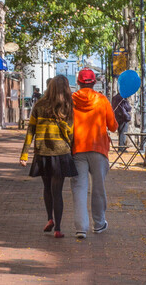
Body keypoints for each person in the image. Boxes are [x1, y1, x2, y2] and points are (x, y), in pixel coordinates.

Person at [20, 76, 77, 238]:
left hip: (42, 153)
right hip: (61, 154)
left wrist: (24, 154)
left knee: (47, 188)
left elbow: (30, 130)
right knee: (57, 191)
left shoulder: (39, 105)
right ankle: (58, 229)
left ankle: (49, 219)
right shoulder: (67, 107)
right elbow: (70, 133)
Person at [71, 68, 118, 239]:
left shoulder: (71, 100)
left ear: (78, 82)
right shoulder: (102, 100)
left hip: (77, 149)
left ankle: (80, 227)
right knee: (98, 188)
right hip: (99, 149)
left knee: (79, 188)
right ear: (94, 82)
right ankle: (99, 224)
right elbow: (113, 126)